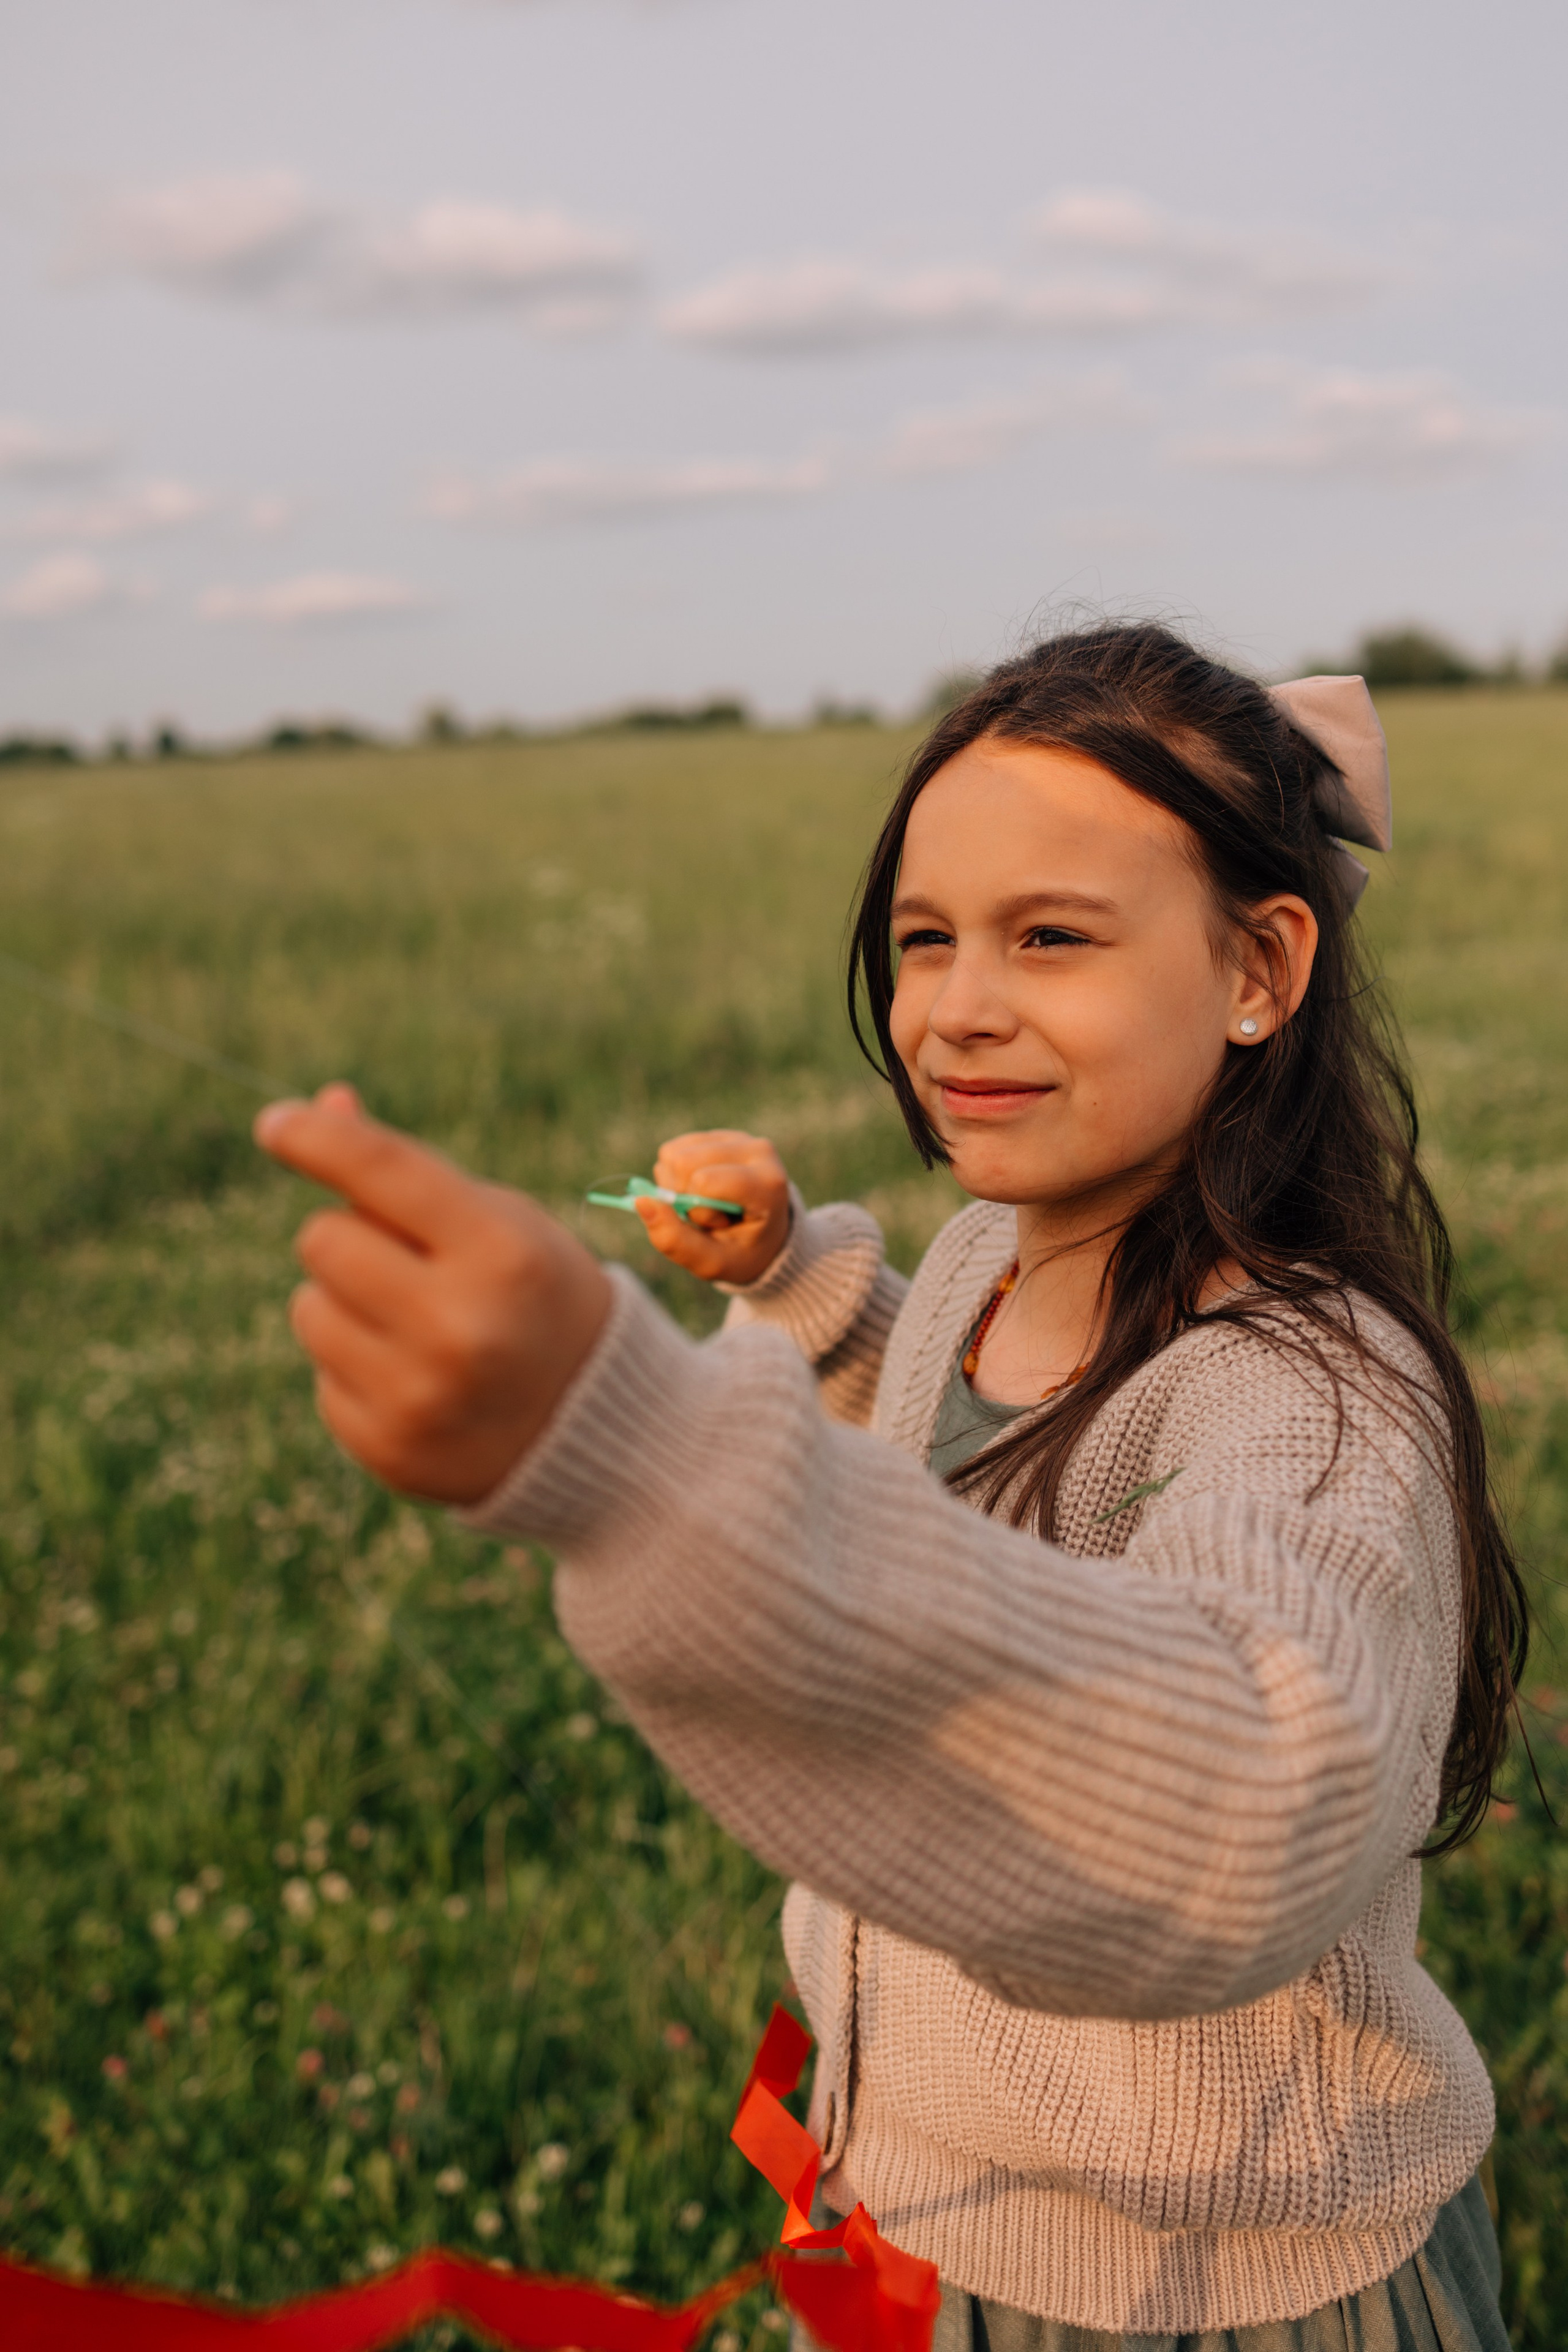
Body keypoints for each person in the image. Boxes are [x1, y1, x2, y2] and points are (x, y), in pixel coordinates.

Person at [256, 622, 1524, 2350]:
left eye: (1052, 939)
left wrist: (627, 1460)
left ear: (1260, 970)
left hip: (1219, 2301)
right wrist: (796, 1283)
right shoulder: (987, 1262)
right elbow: (950, 1463)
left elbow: (1245, 1812)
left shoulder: (1310, 1399)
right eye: (925, 943)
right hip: (931, 2229)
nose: (957, 1010)